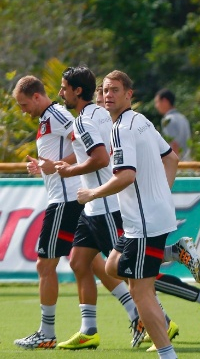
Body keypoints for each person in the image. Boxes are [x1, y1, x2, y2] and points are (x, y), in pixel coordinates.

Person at [75, 70, 182, 359]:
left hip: (145, 221)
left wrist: (92, 193)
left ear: (128, 94)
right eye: (105, 90)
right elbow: (172, 158)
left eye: (115, 90)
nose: (108, 95)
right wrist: (162, 194)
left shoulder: (121, 128)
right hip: (146, 219)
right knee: (112, 266)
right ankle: (173, 252)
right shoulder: (141, 120)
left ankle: (167, 355)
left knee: (140, 291)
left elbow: (126, 176)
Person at [12, 75, 84, 349]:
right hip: (68, 197)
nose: (23, 111)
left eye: (24, 104)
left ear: (37, 96)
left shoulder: (56, 114)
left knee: (45, 265)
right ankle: (140, 316)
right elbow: (58, 157)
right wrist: (43, 167)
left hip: (65, 200)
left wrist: (58, 165)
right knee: (97, 261)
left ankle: (47, 333)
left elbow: (85, 145)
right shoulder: (47, 119)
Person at [154, 88, 192, 161]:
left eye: (157, 102)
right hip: (187, 162)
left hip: (178, 164)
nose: (156, 106)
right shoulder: (182, 117)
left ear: (165, 101)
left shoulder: (168, 120)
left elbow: (173, 144)